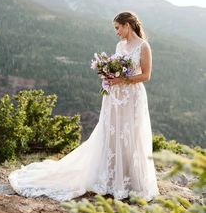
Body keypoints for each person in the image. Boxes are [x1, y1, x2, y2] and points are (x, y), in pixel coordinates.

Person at [9, 11, 159, 201]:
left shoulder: (143, 46)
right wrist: (109, 75)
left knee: (131, 134)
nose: (116, 32)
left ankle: (131, 181)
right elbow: (117, 68)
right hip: (114, 97)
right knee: (113, 133)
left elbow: (146, 76)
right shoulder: (120, 45)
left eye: (117, 28)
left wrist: (123, 79)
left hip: (133, 97)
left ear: (127, 25)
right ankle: (113, 178)